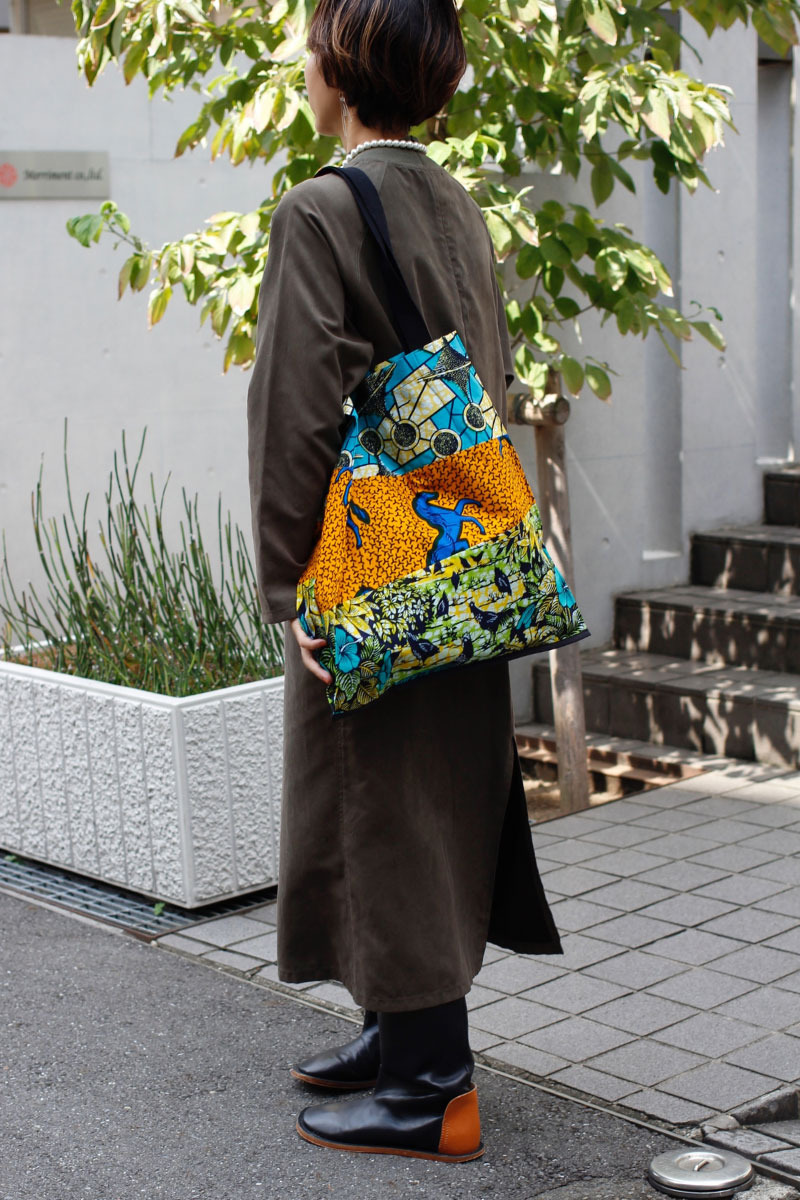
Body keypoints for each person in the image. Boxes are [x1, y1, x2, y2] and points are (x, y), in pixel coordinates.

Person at [246, 0, 565, 1163]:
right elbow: (484, 378)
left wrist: (291, 585)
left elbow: (293, 412)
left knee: (378, 798)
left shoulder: (320, 209)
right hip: (459, 541)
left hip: (374, 554)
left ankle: (432, 1087)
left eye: (309, 48)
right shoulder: (456, 205)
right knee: (423, 791)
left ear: (339, 71)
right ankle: (394, 1034)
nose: (303, 66)